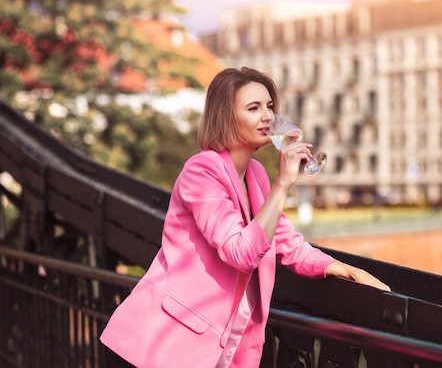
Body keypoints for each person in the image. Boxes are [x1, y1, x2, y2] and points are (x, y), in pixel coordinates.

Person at [100, 67, 391, 367]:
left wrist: (344, 270)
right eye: (253, 108)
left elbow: (286, 243)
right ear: (225, 116)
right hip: (155, 347)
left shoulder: (256, 176)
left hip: (212, 352)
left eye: (269, 107)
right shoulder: (202, 171)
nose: (267, 116)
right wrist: (283, 184)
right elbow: (239, 252)